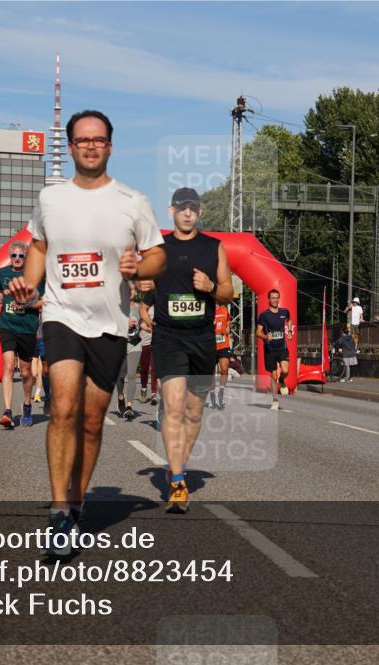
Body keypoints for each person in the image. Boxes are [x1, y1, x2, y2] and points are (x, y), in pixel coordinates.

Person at [8, 109, 166, 557]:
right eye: (82, 140)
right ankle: (59, 511)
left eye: (98, 140)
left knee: (93, 422)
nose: (91, 146)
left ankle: (77, 501)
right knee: (62, 407)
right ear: (72, 146)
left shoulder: (132, 201)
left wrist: (140, 267)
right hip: (62, 315)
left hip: (110, 324)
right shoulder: (51, 198)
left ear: (110, 147)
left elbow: (158, 255)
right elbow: (39, 245)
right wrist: (30, 286)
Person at [146, 187, 233, 513]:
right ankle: (179, 481)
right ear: (172, 211)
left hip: (202, 338)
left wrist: (211, 287)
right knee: (173, 407)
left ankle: (177, 466)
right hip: (168, 337)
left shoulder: (214, 247)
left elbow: (228, 292)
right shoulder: (159, 248)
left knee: (194, 412)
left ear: (199, 212)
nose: (187, 213)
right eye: (182, 208)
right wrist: (141, 287)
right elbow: (143, 281)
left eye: (192, 208)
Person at [0, 240, 44, 429]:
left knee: (25, 372)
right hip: (7, 324)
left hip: (27, 327)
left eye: (21, 256)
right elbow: (0, 292)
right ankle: (7, 411)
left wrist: (26, 303)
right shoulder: (2, 273)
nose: (17, 259)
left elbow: (43, 302)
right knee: (8, 365)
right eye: (13, 255)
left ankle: (27, 404)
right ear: (10, 257)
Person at [256, 289, 294, 410]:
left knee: (285, 370)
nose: (275, 300)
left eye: (277, 298)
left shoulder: (284, 311)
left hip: (282, 347)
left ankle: (282, 380)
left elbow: (289, 320)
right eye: (273, 298)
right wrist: (266, 336)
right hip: (270, 349)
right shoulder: (264, 315)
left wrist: (289, 331)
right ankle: (275, 400)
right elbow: (258, 332)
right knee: (273, 376)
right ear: (269, 299)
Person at [115, 282, 144, 421]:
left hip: (135, 344)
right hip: (120, 345)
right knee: (120, 376)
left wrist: (147, 325)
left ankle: (129, 406)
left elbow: (142, 322)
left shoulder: (139, 307)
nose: (130, 292)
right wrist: (124, 323)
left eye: (132, 290)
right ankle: (121, 397)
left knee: (132, 375)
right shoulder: (117, 307)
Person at [211, 304, 232, 410]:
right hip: (210, 345)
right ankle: (212, 394)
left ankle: (221, 392)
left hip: (223, 344)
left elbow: (229, 321)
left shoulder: (224, 309)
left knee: (224, 369)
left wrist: (228, 327)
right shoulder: (208, 310)